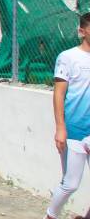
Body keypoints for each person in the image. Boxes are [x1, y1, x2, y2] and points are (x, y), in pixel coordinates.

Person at [45, 12, 90, 219]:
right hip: (75, 132)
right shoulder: (68, 57)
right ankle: (51, 216)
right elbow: (59, 93)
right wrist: (60, 128)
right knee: (70, 184)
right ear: (82, 31)